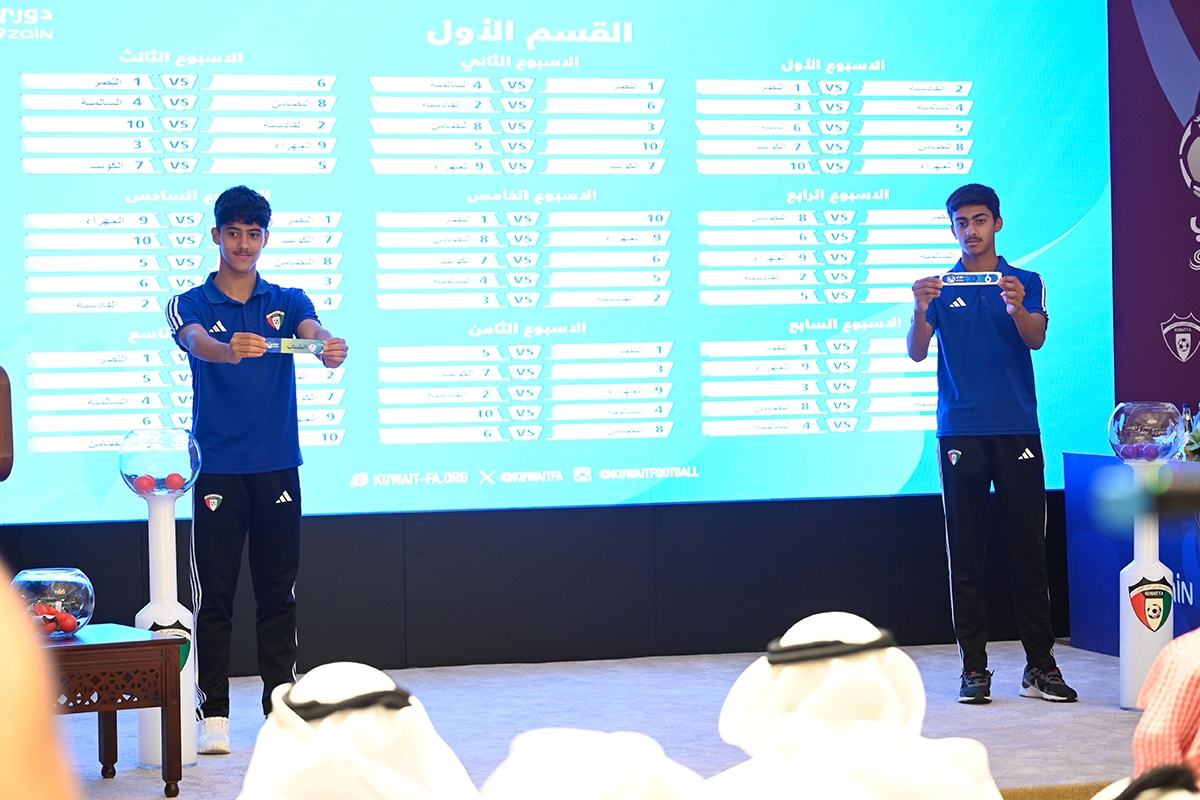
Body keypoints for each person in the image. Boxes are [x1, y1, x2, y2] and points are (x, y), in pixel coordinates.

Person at [166, 186, 348, 754]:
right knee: (214, 597)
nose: (243, 244)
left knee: (278, 594)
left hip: (277, 467)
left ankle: (280, 707)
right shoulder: (190, 301)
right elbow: (195, 341)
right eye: (233, 232)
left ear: (265, 238)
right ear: (216, 235)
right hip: (218, 469)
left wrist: (326, 346)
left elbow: (312, 330)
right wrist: (228, 350)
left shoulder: (287, 298)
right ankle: (213, 713)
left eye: (253, 234)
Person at [907, 183, 1076, 705]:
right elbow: (916, 352)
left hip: (1017, 429)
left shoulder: (1025, 281)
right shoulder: (939, 288)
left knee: (1028, 551)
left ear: (997, 223)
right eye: (962, 222)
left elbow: (1035, 338)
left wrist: (1017, 307)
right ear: (953, 228)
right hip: (960, 432)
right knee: (966, 552)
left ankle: (1040, 666)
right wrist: (918, 308)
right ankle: (974, 669)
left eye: (980, 220)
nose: (971, 230)